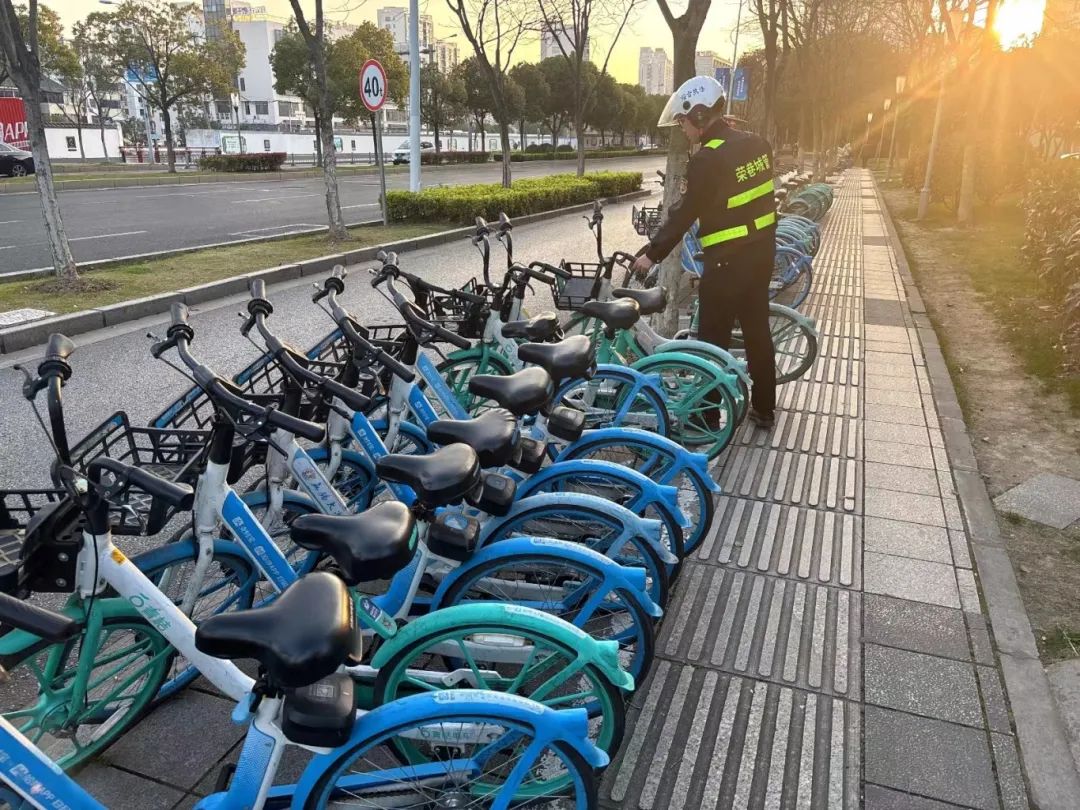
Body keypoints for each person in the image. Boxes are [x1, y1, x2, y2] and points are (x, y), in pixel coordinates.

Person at [631, 75, 778, 428]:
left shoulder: (707, 160)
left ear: (699, 116)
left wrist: (651, 254)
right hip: (761, 255)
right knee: (757, 332)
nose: (682, 129)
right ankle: (764, 408)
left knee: (712, 343)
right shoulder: (758, 144)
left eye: (683, 121)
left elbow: (684, 214)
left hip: (727, 264)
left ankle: (706, 417)